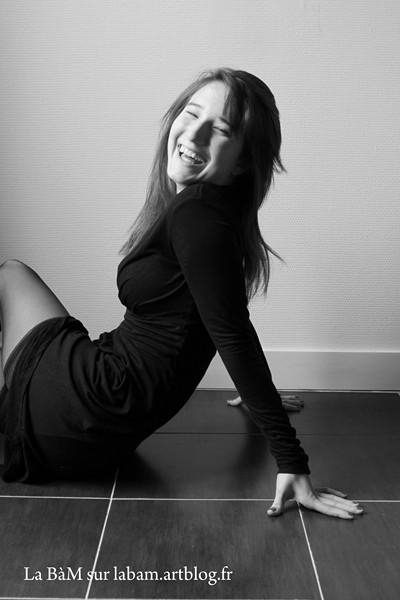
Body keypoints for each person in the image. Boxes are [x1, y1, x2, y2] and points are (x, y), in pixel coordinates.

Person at [0, 67, 363, 519]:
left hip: (89, 408)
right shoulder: (215, 212)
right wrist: (258, 398)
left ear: (243, 161)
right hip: (102, 425)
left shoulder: (197, 213)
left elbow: (232, 334)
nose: (193, 134)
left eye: (220, 130)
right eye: (191, 115)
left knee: (9, 276)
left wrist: (292, 461)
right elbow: (212, 319)